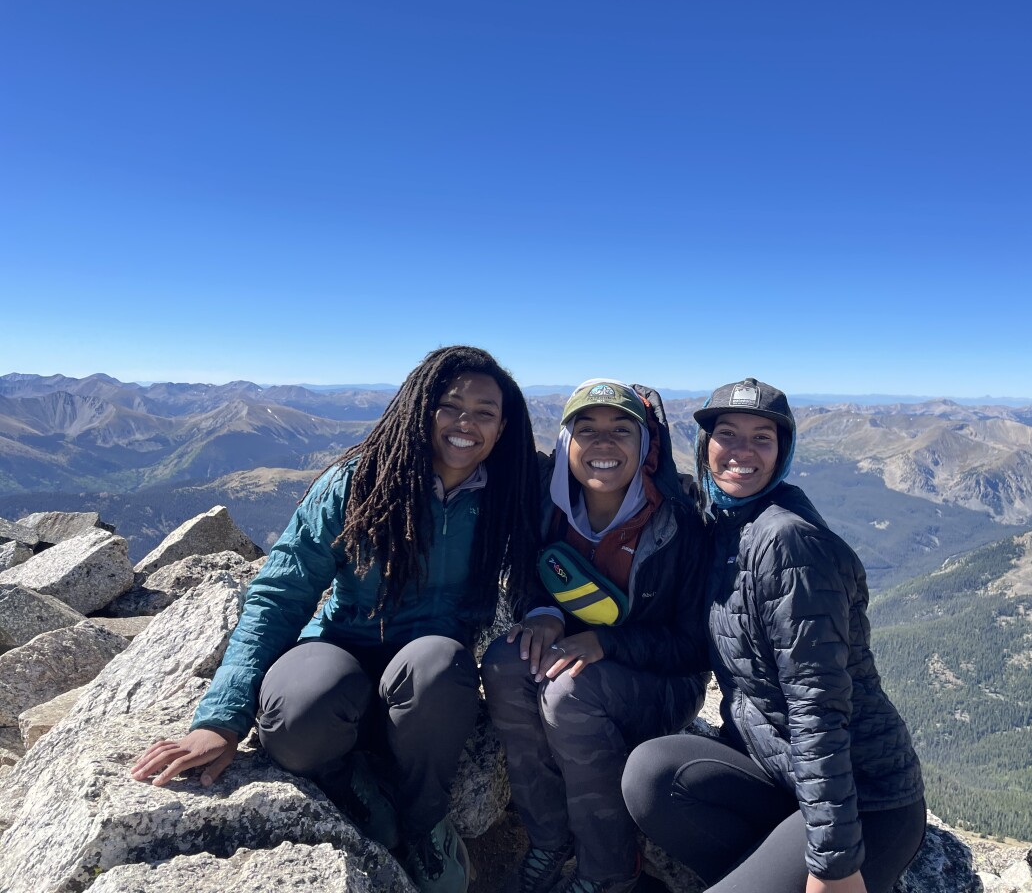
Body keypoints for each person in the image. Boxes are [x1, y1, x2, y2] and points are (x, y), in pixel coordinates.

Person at [131, 345, 542, 893]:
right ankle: (346, 779)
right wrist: (220, 720)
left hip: (426, 674)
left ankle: (422, 822)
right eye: (450, 405)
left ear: (502, 426)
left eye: (484, 412)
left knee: (440, 664)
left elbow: (573, 534)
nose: (466, 423)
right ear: (421, 408)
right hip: (341, 645)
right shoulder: (360, 483)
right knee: (295, 716)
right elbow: (280, 593)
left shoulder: (509, 492)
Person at [622, 377, 926, 893]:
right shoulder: (726, 523)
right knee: (651, 776)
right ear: (705, 445)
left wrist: (834, 865)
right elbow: (704, 645)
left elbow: (817, 706)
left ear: (781, 451)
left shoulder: (786, 543)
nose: (743, 452)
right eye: (727, 434)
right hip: (778, 776)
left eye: (762, 438)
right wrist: (602, 646)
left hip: (864, 798)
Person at [482, 380, 708, 893]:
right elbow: (526, 573)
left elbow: (695, 645)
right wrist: (543, 613)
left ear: (645, 445)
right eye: (587, 430)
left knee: (569, 697)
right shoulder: (548, 502)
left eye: (620, 430)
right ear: (567, 444)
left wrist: (610, 645)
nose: (602, 444)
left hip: (663, 679)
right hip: (579, 652)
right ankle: (549, 835)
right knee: (504, 661)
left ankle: (609, 870)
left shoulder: (679, 523)